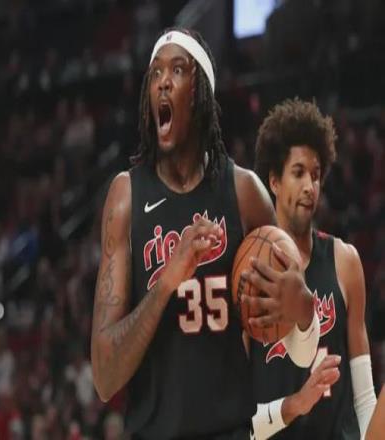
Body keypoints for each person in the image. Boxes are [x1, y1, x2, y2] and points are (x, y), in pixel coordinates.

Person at [90, 29, 320, 439]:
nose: (162, 82)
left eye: (178, 70)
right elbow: (105, 378)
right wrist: (166, 282)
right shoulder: (126, 197)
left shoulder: (245, 193)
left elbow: (296, 353)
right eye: (155, 73)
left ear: (201, 96)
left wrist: (302, 307)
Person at [249, 98, 377, 439]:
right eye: (298, 173)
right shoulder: (248, 273)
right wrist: (295, 405)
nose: (310, 186)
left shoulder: (345, 261)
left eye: (316, 175)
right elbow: (240, 424)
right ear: (274, 182)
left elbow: (364, 394)